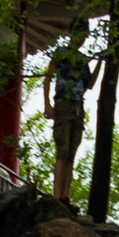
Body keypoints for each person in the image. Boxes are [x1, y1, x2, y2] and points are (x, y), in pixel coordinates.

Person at [42, 42, 96, 203]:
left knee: (72, 151)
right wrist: (47, 103)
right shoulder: (61, 53)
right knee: (63, 149)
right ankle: (57, 195)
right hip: (63, 104)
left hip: (78, 106)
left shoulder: (82, 59)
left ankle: (65, 196)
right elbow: (48, 76)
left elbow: (90, 84)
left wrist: (100, 60)